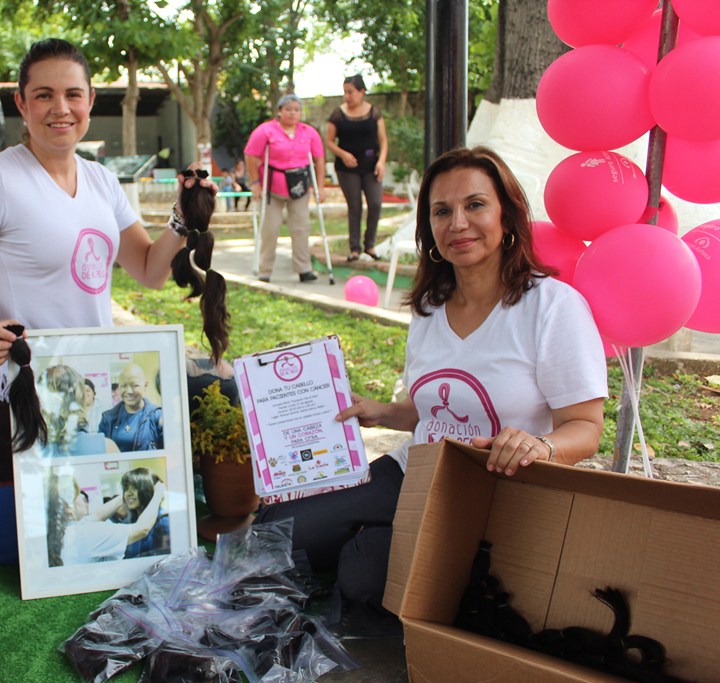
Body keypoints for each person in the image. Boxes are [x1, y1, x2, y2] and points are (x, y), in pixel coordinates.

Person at [255, 145, 607, 620]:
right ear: (430, 229)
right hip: (414, 474)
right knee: (278, 529)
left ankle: (375, 543)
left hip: (490, 490)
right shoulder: (429, 309)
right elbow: (433, 408)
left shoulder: (552, 307)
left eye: (475, 205)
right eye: (442, 211)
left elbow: (585, 426)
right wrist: (380, 411)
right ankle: (375, 532)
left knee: (363, 575)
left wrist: (538, 447)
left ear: (508, 216)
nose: (458, 223)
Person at [0, 37, 215, 379]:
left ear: (89, 101)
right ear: (22, 104)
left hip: (96, 376)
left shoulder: (102, 180)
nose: (60, 108)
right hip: (25, 381)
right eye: (44, 95)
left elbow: (149, 271)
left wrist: (182, 217)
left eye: (72, 94)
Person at [244, 93, 327, 283]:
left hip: (299, 186)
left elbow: (319, 159)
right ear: (280, 111)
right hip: (272, 186)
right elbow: (250, 155)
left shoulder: (309, 132)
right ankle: (265, 270)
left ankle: (303, 268)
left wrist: (319, 187)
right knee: (270, 228)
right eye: (288, 109)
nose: (292, 113)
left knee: (301, 228)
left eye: (297, 110)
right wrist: (255, 183)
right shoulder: (265, 131)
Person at [325, 75, 389, 262]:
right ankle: (355, 248)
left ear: (362, 92)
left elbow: (383, 140)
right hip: (347, 168)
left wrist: (381, 161)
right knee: (355, 206)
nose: (347, 96)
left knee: (375, 204)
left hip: (371, 165)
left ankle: (370, 245)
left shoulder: (374, 113)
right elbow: (329, 141)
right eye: (345, 92)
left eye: (351, 92)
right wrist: (343, 154)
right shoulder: (338, 114)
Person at [46, 473, 166, 566]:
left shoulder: (65, 532)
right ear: (68, 508)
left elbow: (97, 516)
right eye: (79, 496)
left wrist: (126, 494)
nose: (84, 500)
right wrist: (158, 493)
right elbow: (141, 529)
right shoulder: (85, 535)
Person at [98, 363, 164, 452]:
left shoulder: (157, 416)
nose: (129, 391)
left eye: (135, 385)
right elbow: (101, 450)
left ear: (145, 385)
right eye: (123, 386)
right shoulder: (108, 418)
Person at [115, 467, 170, 559]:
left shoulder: (164, 520)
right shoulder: (127, 522)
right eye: (126, 489)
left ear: (149, 490)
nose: (128, 493)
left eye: (135, 488)